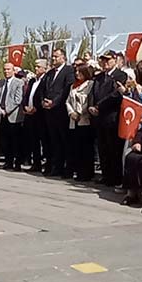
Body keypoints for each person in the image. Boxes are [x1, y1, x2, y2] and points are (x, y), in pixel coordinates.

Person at [89, 51, 129, 186]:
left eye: (108, 60)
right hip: (99, 117)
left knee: (114, 148)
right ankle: (106, 175)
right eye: (103, 60)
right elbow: (93, 93)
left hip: (112, 116)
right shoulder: (99, 77)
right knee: (103, 147)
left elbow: (116, 95)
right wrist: (92, 107)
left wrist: (99, 106)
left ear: (115, 60)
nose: (105, 63)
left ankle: (115, 177)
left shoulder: (120, 75)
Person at [41, 49, 74, 179]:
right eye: (52, 57)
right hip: (49, 112)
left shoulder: (68, 71)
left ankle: (68, 168)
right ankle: (56, 166)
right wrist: (43, 101)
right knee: (54, 140)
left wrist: (54, 102)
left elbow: (66, 90)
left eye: (56, 57)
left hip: (61, 111)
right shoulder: (49, 73)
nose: (53, 59)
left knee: (65, 140)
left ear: (63, 57)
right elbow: (43, 89)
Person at [66, 63, 95, 182]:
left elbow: (89, 101)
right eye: (76, 71)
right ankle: (78, 171)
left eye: (80, 72)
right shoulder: (73, 86)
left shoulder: (90, 85)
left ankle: (87, 172)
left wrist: (80, 113)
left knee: (86, 148)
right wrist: (71, 112)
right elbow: (67, 101)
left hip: (85, 119)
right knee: (76, 147)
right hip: (74, 120)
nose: (77, 74)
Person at [0, 62, 25, 171]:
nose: (6, 71)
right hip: (2, 115)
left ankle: (17, 163)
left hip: (14, 116)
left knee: (16, 141)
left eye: (8, 69)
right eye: (5, 69)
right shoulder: (1, 83)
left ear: (13, 70)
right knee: (5, 140)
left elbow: (18, 99)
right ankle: (8, 162)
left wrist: (7, 110)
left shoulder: (19, 82)